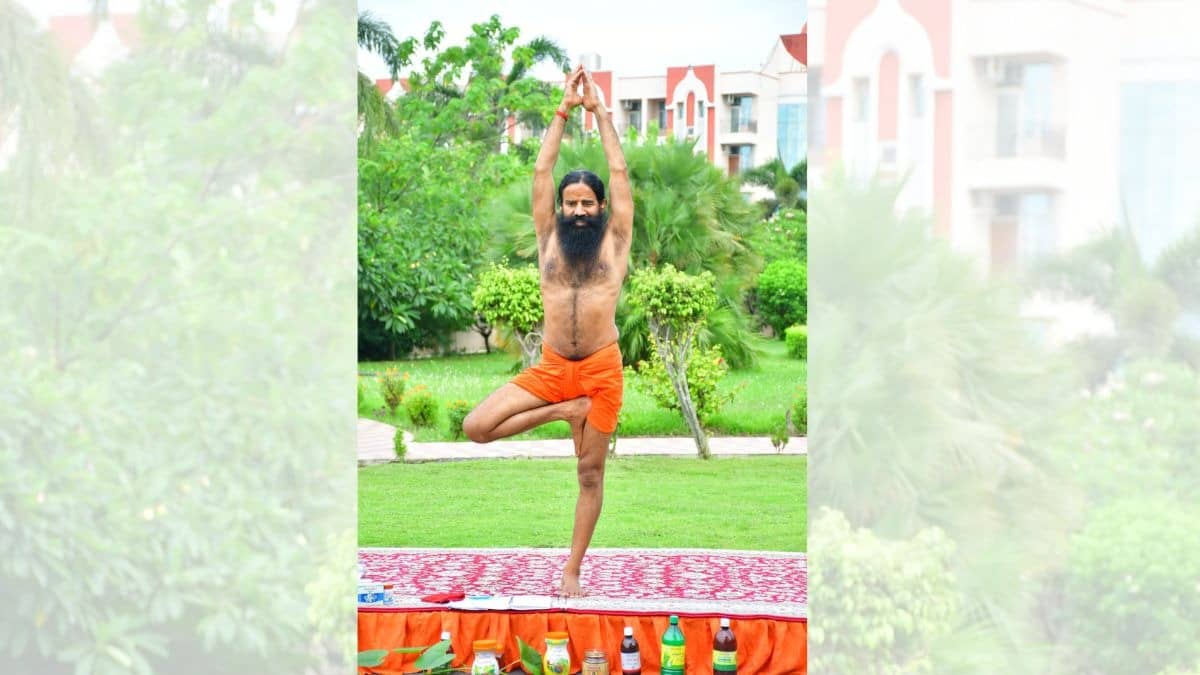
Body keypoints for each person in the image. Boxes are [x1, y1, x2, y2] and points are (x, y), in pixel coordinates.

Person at [462, 65, 633, 598]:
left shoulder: (615, 242)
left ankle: (572, 569)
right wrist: (562, 109)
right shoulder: (548, 240)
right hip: (553, 370)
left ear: (601, 208)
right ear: (559, 208)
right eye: (570, 203)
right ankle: (566, 411)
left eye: (587, 203)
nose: (578, 210)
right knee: (476, 427)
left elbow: (619, 170)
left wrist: (598, 111)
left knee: (589, 474)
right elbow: (541, 170)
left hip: (601, 371)